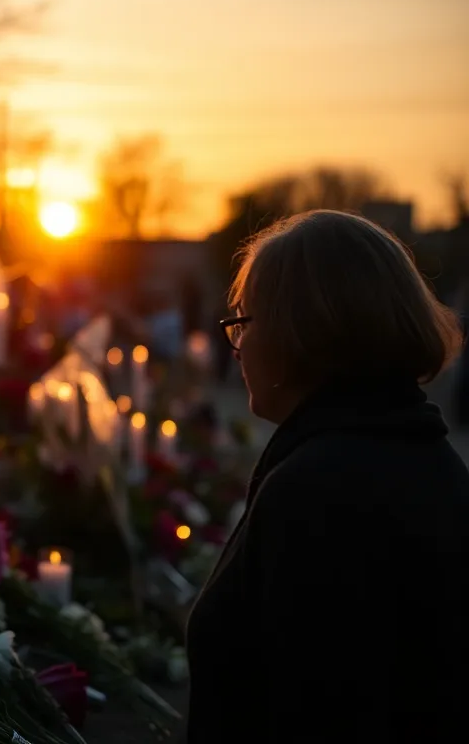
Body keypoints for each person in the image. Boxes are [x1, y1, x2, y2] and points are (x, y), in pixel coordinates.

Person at [186, 210, 469, 743]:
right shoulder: (415, 454)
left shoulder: (320, 491)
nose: (238, 346)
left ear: (301, 330)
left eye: (244, 321)